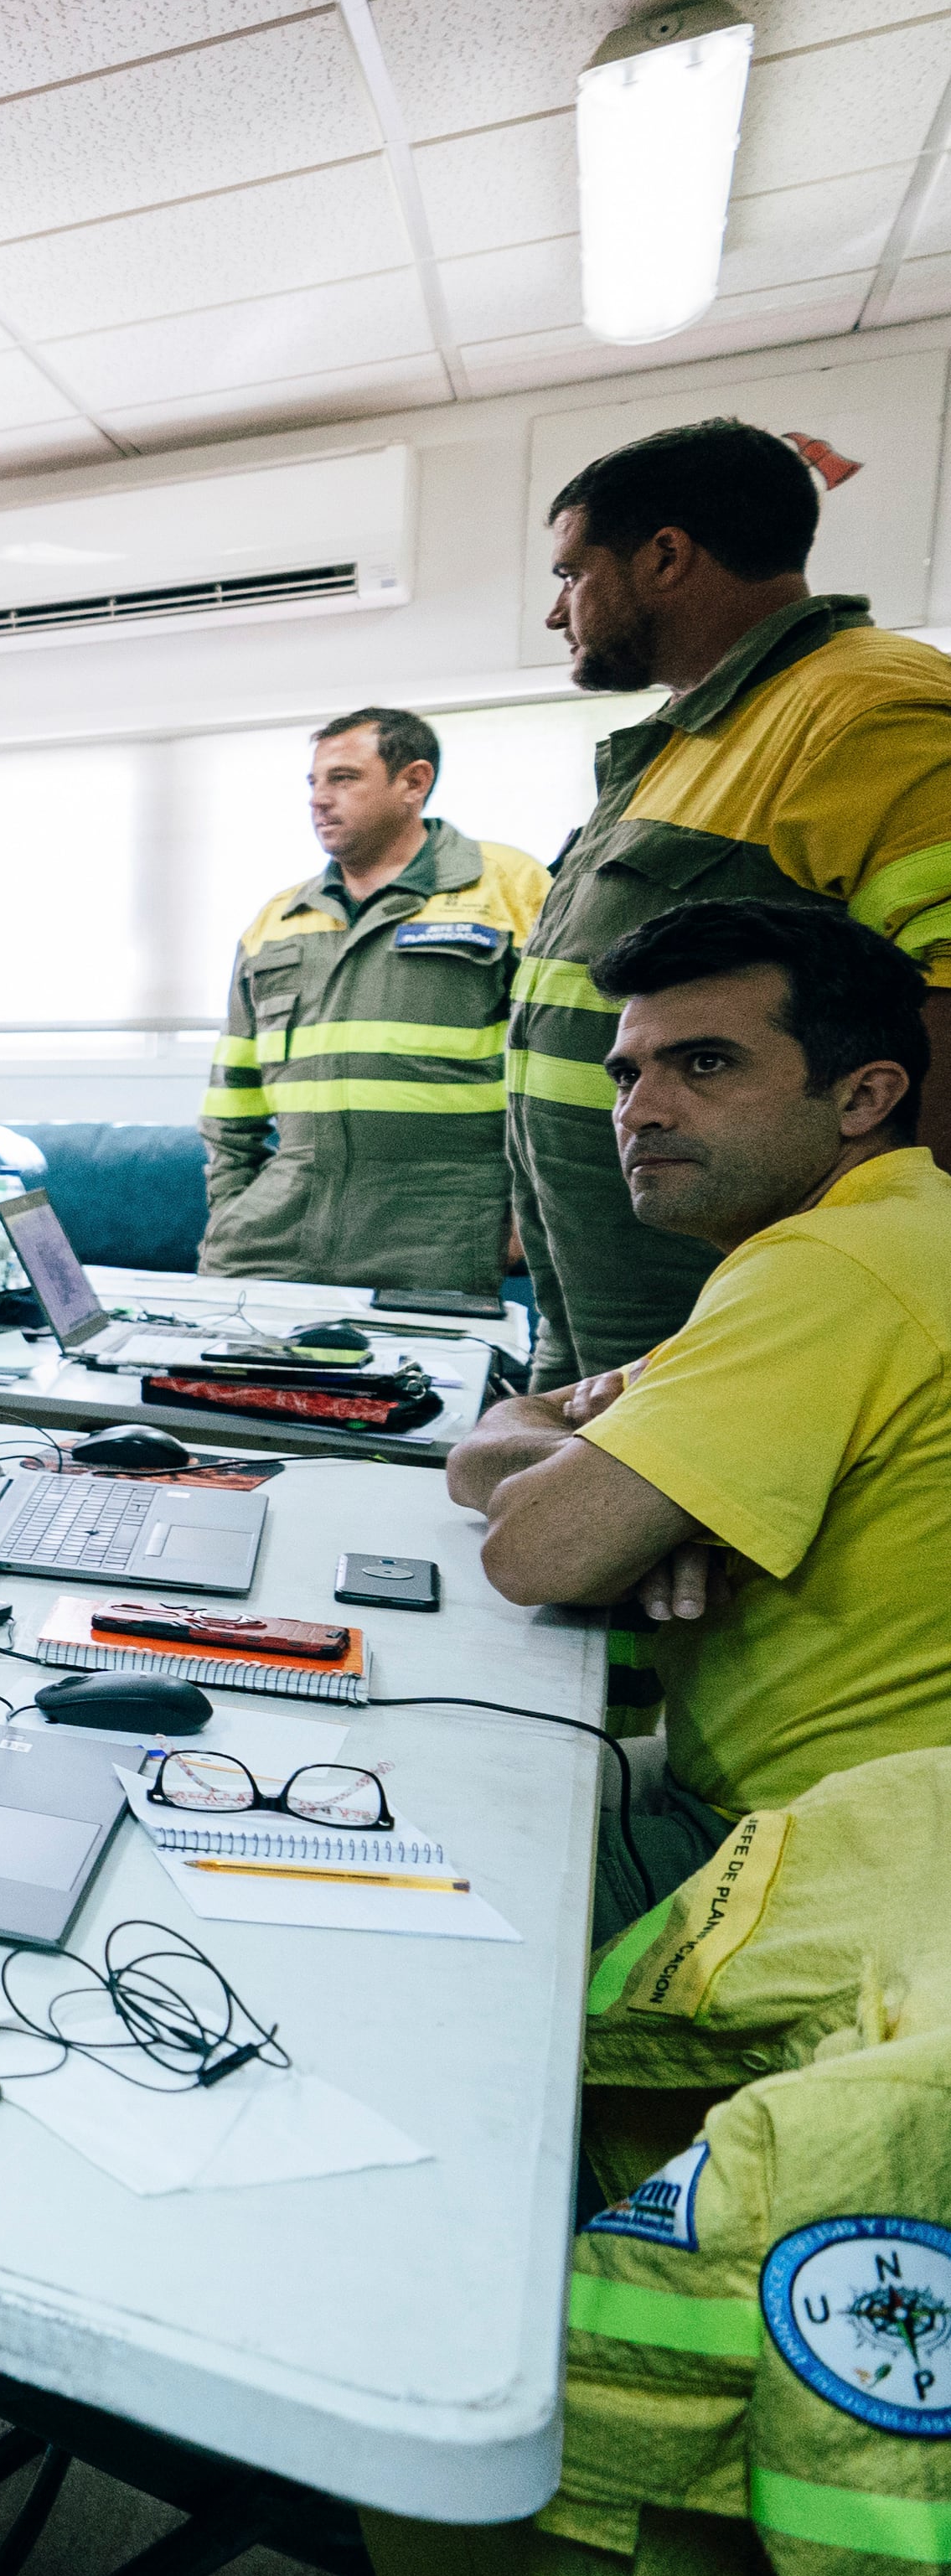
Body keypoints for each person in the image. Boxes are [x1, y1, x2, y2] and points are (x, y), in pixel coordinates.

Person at [446, 900, 947, 1841]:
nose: (640, 1111)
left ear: (860, 1097)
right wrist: (629, 1497)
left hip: (815, 1853)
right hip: (799, 1804)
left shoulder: (835, 1269)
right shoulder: (885, 1231)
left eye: (704, 1064)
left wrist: (596, 1497)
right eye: (625, 1075)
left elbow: (535, 1549)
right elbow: (493, 1442)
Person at [504, 417, 951, 1388]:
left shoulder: (867, 707)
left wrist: (869, 1306)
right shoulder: (689, 740)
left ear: (664, 556)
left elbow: (944, 1008)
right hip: (595, 1293)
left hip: (734, 1313)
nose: (556, 613)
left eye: (569, 575)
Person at [203, 707, 547, 1294]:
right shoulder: (277, 919)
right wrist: (231, 1208)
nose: (319, 799)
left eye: (344, 778)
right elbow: (232, 1094)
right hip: (272, 1235)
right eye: (313, 782)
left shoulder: (509, 888)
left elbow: (559, 1066)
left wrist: (532, 1209)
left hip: (438, 1231)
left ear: (414, 782)